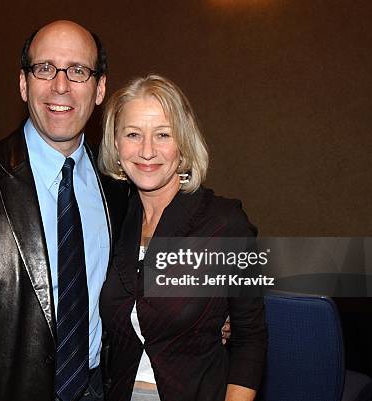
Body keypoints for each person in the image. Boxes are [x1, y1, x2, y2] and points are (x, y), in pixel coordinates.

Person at [0, 20, 128, 401]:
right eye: (44, 68)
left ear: (99, 89)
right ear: (23, 83)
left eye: (78, 71)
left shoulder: (117, 188)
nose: (60, 85)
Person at [98, 75, 267, 401]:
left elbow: (251, 338)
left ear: (183, 144)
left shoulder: (224, 224)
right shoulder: (113, 219)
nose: (147, 150)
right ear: (116, 145)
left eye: (163, 134)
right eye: (133, 134)